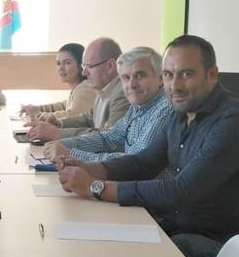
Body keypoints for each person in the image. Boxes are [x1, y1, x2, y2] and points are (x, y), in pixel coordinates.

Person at [57, 35, 239, 257]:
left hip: (224, 248)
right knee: (103, 245)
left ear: (212, 74)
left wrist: (97, 187)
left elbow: (180, 191)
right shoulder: (182, 112)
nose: (175, 85)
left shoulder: (234, 123)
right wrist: (91, 169)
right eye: (169, 75)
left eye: (186, 74)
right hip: (183, 228)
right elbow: (145, 162)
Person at [44, 47, 172, 172]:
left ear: (160, 79)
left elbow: (135, 161)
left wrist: (70, 154)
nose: (132, 85)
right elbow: (108, 139)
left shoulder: (164, 110)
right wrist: (63, 144)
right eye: (126, 78)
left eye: (140, 75)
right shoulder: (138, 107)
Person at [28, 37, 129, 142]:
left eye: (89, 66)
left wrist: (57, 133)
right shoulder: (104, 89)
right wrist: (58, 124)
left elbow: (108, 137)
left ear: (110, 66)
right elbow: (88, 119)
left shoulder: (122, 94)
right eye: (83, 66)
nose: (84, 72)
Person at [21, 43, 98, 122]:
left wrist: (38, 114)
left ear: (80, 66)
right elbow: (64, 105)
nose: (61, 68)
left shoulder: (86, 89)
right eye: (58, 63)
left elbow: (71, 116)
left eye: (67, 63)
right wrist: (38, 108)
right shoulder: (79, 88)